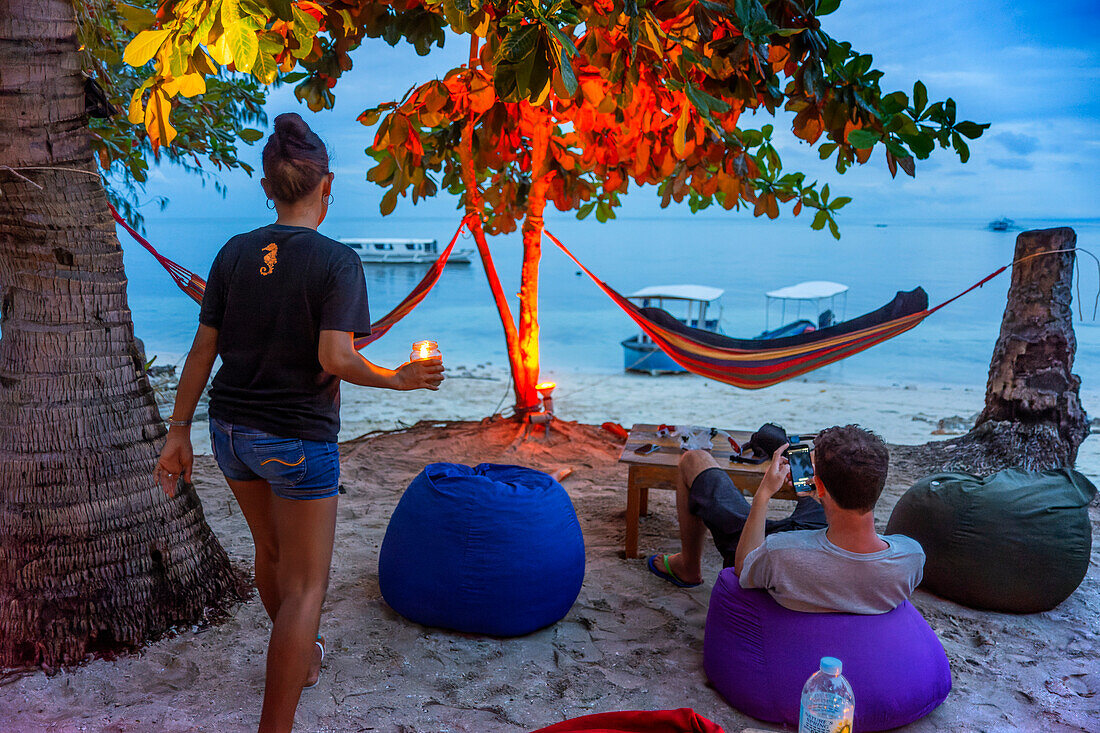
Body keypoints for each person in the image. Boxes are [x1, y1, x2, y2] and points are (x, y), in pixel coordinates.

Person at [154, 113, 444, 733]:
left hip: (228, 433)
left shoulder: (233, 253)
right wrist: (399, 379)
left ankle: (302, 661)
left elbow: (202, 351)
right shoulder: (337, 262)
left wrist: (178, 429)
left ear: (267, 186)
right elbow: (335, 359)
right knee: (308, 585)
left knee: (272, 553)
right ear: (327, 185)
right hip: (296, 440)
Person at [647, 425, 924, 614]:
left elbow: (744, 566)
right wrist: (816, 489)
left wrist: (764, 494)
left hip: (773, 544)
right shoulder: (911, 556)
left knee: (695, 459)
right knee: (811, 477)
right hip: (819, 530)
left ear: (822, 488)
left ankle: (688, 566)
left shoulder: (779, 553)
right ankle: (798, 463)